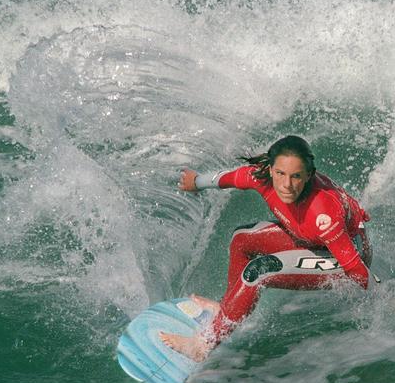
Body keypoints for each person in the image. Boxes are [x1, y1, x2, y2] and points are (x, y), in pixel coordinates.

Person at [160, 135, 374, 361]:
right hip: (310, 239)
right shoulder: (259, 176)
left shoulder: (322, 212)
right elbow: (228, 178)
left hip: (345, 257)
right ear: (270, 170)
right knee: (241, 239)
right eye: (280, 174)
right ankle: (225, 309)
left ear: (308, 175)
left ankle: (204, 345)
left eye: (296, 176)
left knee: (259, 270)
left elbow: (356, 269)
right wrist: (196, 182)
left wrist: (384, 299)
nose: (287, 185)